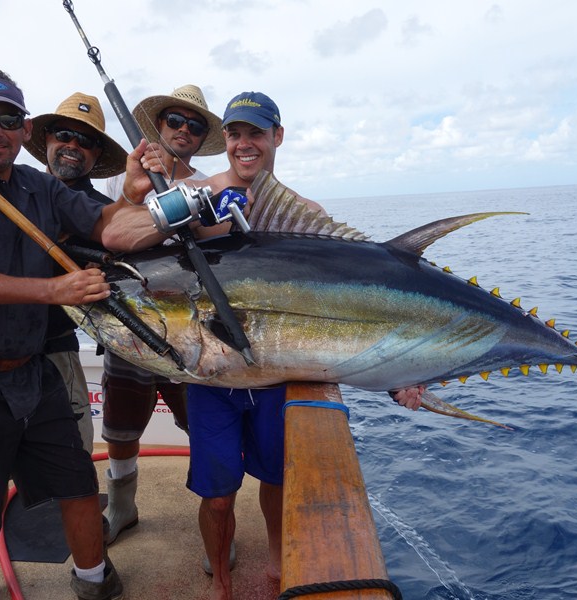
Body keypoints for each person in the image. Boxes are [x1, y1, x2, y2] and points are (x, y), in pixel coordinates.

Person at [107, 91, 424, 600]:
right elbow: (117, 236)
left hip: (276, 381)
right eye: (234, 134)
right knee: (216, 498)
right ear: (225, 141)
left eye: (256, 132)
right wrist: (172, 204)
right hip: (214, 379)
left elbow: (349, 309)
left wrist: (396, 375)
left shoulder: (305, 214)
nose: (244, 144)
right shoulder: (197, 189)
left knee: (277, 486)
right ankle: (222, 583)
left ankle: (278, 568)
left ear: (277, 137)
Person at [0, 68, 155, 600]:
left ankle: (93, 582)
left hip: (32, 375)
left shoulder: (38, 186)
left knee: (79, 487)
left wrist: (138, 196)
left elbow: (110, 225)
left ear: (24, 127)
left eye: (8, 119)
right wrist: (52, 291)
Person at [97, 85, 226, 546]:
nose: (184, 131)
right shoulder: (122, 175)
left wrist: (187, 206)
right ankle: (122, 505)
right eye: (175, 121)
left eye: (196, 126)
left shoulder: (207, 184)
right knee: (120, 425)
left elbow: (219, 245)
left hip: (189, 325)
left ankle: (215, 517)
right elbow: (109, 229)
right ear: (159, 125)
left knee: (202, 422)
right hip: (132, 318)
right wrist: (138, 188)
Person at [23, 91, 128, 454]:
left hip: (58, 350)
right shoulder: (6, 195)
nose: (72, 145)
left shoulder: (106, 216)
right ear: (46, 140)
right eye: (63, 135)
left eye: (85, 140)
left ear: (96, 154)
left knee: (75, 459)